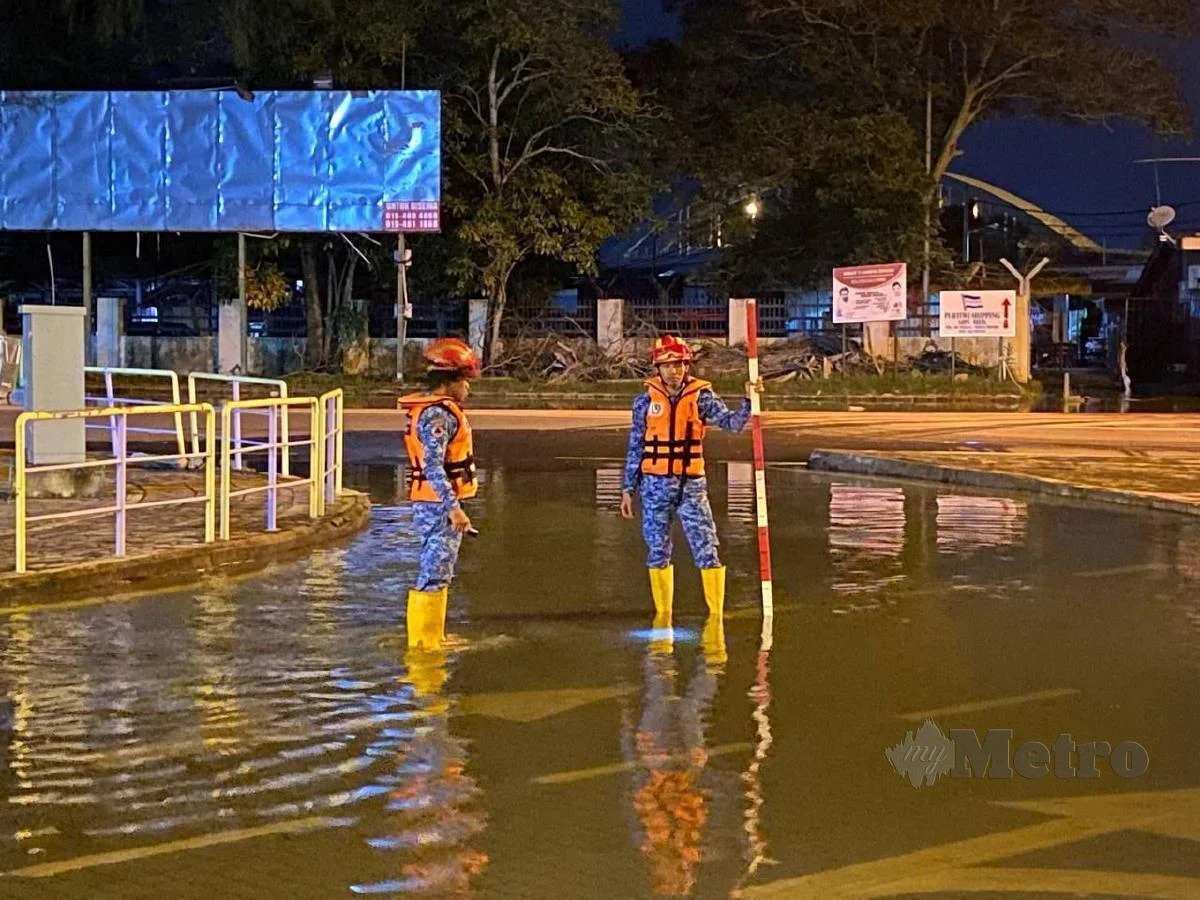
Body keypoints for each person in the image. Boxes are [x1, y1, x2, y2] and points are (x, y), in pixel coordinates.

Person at [620, 334, 761, 626]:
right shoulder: (644, 402)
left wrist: (749, 400)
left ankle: (716, 619)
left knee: (706, 548)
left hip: (691, 487)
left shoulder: (702, 397)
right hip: (653, 486)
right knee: (658, 550)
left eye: (680, 364)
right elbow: (636, 446)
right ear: (657, 368)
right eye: (668, 365)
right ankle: (663, 618)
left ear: (687, 365)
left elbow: (732, 424)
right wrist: (627, 488)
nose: (674, 371)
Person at [399, 337, 482, 651]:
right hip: (437, 504)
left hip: (433, 502)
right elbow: (433, 466)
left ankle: (434, 637)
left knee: (440, 569)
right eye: (464, 382)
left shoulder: (434, 411)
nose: (467, 390)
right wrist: (453, 508)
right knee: (434, 572)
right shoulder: (439, 416)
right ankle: (424, 644)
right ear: (449, 383)